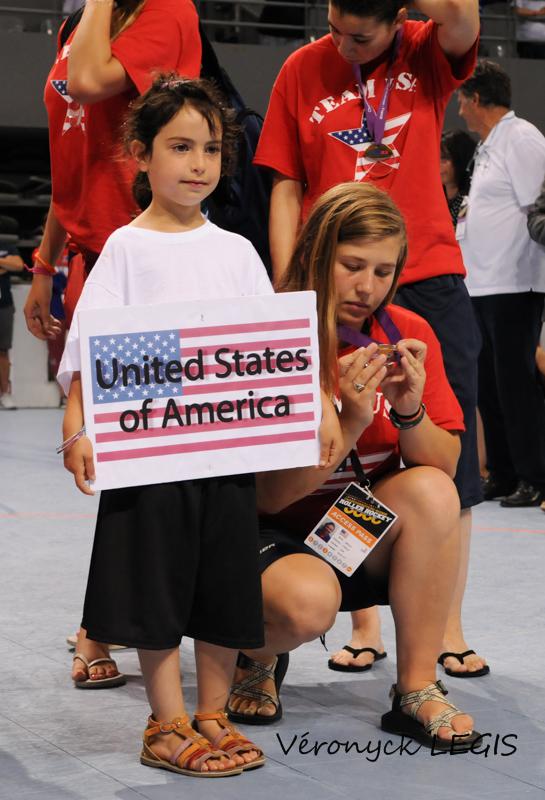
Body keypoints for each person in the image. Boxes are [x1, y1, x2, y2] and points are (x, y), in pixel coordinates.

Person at [253, 0, 487, 678]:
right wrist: (288, 288)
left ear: (396, 18)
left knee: (438, 464)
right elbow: (286, 186)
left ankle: (443, 625)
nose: (344, 44)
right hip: (325, 279)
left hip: (426, 276)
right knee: (330, 438)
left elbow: (464, 16)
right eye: (333, 27)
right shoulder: (302, 67)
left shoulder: (423, 49)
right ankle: (358, 624)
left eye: (360, 33)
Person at [57, 75, 275, 777]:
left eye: (211, 148)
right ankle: (166, 719)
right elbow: (89, 354)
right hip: (149, 461)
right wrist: (76, 428)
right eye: (180, 147)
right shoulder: (124, 247)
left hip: (223, 457)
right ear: (140, 155)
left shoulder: (237, 252)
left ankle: (211, 712)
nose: (198, 163)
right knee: (155, 587)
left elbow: (267, 352)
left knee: (220, 586)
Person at [227, 182, 483, 749]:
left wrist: (412, 410)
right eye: (352, 265)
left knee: (434, 493)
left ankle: (416, 687)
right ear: (319, 252)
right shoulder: (274, 333)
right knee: (306, 606)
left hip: (349, 529)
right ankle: (256, 651)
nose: (368, 286)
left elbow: (444, 466)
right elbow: (266, 497)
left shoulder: (409, 333)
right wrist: (349, 424)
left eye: (384, 271)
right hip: (271, 531)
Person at [23, 0, 202, 686]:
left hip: (153, 261)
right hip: (91, 256)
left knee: (148, 456)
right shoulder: (77, 26)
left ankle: (112, 626)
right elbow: (71, 157)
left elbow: (95, 80)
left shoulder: (165, 11)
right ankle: (105, 623)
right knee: (127, 460)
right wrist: (44, 263)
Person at [458, 59, 545, 507]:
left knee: (515, 385)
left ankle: (535, 475)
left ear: (477, 98)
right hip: (482, 284)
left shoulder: (522, 137)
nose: (458, 110)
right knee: (489, 386)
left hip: (515, 283)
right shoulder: (488, 145)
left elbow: (539, 210)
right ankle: (505, 472)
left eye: (461, 100)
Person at [0, 219, 24, 409]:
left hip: (4, 305)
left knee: (3, 351)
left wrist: (3, 263)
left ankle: (5, 393)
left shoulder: (6, 246)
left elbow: (18, 265)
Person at [440, 129, 476, 226]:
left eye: (444, 158)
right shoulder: (433, 200)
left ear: (460, 159)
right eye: (435, 157)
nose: (437, 164)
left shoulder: (470, 201)